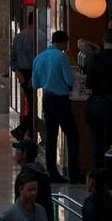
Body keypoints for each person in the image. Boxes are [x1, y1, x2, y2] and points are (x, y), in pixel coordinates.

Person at [32, 29, 79, 184]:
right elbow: (70, 81)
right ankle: (74, 173)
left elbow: (35, 83)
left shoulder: (39, 58)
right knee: (72, 136)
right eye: (66, 42)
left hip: (47, 99)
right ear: (62, 42)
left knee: (51, 137)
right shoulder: (62, 57)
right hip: (61, 100)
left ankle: (52, 172)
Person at [85, 27, 112, 188]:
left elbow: (89, 83)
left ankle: (96, 179)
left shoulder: (94, 58)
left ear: (103, 40)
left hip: (97, 104)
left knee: (96, 143)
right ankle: (109, 180)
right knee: (111, 144)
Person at [12, 138, 55, 221]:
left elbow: (21, 206)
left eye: (18, 150)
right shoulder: (40, 171)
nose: (15, 153)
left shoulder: (26, 177)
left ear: (25, 154)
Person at [10, 10, 39, 140]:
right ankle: (25, 131)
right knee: (34, 106)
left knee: (32, 104)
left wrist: (18, 72)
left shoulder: (18, 36)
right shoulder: (39, 36)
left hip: (22, 73)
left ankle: (23, 130)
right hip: (33, 73)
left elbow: (12, 58)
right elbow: (39, 59)